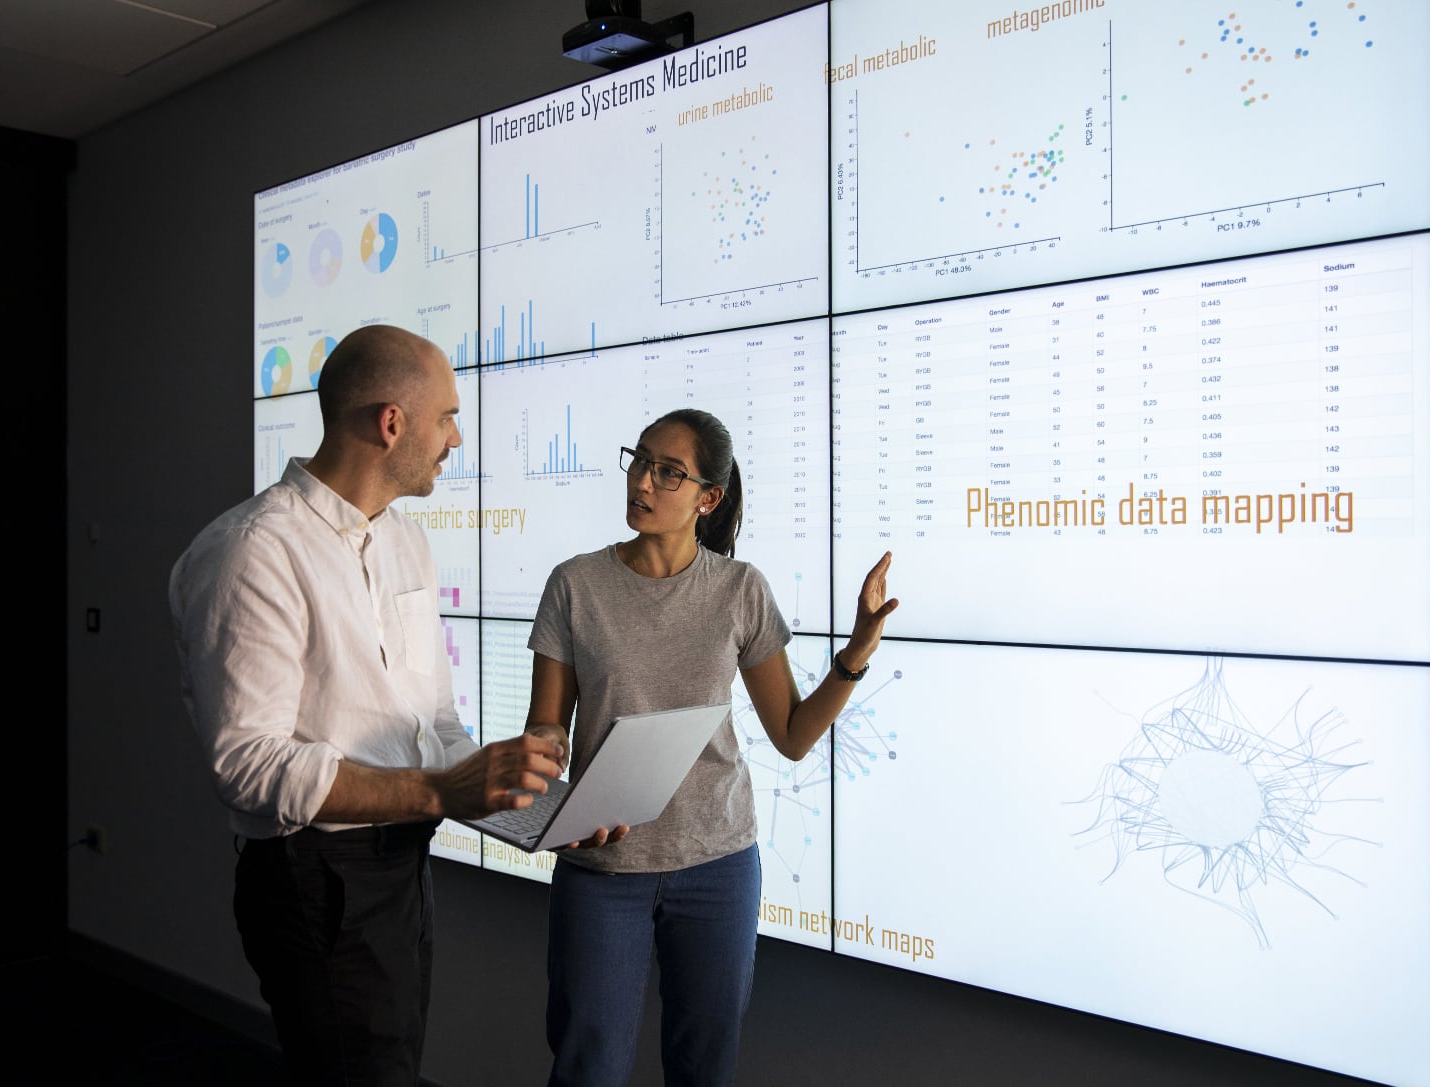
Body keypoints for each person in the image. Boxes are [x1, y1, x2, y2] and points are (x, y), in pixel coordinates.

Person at [168, 324, 565, 1086]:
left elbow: (431, 725)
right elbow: (248, 765)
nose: (456, 437)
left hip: (399, 865)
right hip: (314, 876)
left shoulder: (405, 542)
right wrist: (434, 791)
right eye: (447, 415)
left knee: (387, 1068)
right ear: (391, 422)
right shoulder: (252, 549)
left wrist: (532, 806)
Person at [522, 407, 899, 1087]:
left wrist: (854, 654)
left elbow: (790, 735)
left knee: (704, 1069)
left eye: (668, 472)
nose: (643, 480)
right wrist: (544, 754)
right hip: (601, 862)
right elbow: (546, 725)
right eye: (639, 461)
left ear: (707, 497)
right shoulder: (574, 584)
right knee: (588, 1066)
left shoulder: (739, 589)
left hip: (718, 864)